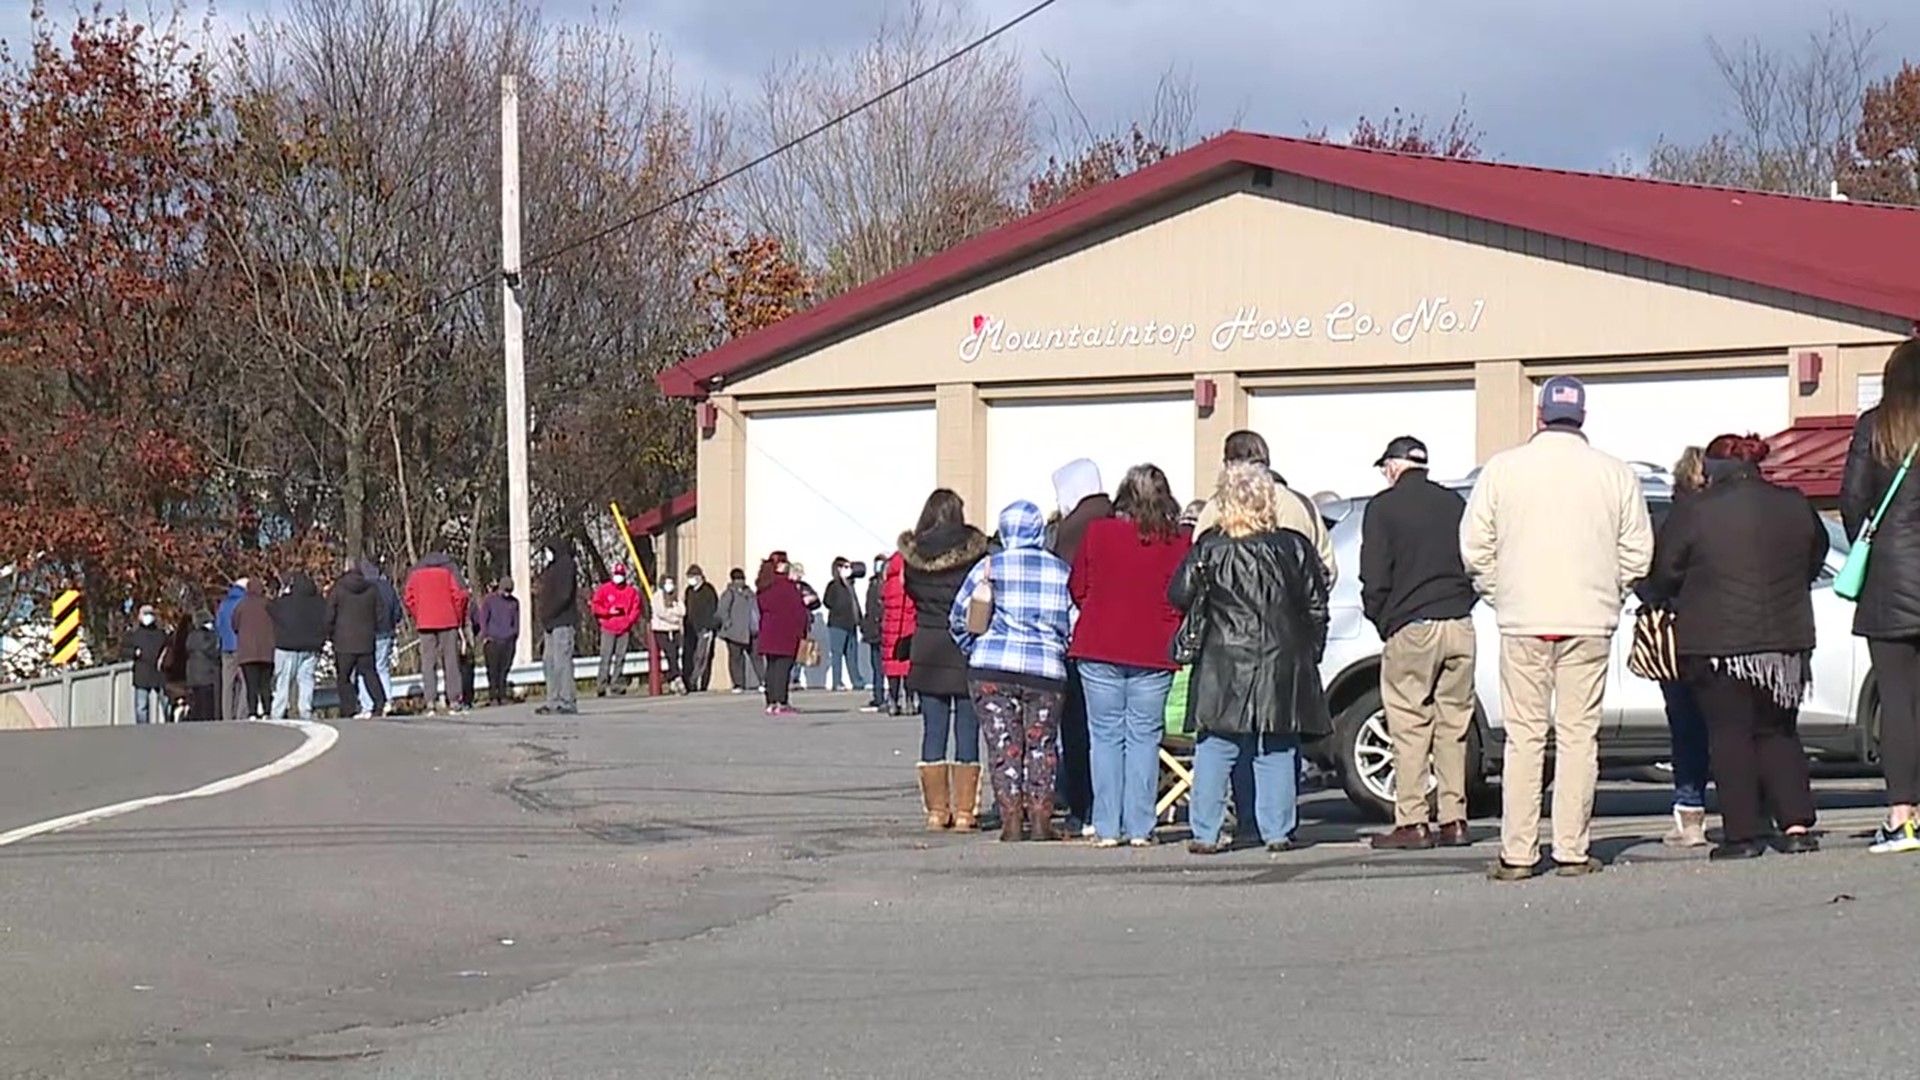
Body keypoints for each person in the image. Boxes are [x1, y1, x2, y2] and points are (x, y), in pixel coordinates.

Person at [1462, 375, 1654, 880]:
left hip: (1524, 619)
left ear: (1540, 416)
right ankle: (1571, 847)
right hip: (1589, 620)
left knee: (1524, 738)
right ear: (1582, 418)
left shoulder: (1503, 470)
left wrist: (1500, 593)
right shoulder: (1615, 474)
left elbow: (1474, 547)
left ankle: (1518, 852)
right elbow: (1638, 552)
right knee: (1578, 737)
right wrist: (1612, 592)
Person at [1641, 433, 1826, 860]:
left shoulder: (1696, 512)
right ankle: (1796, 826)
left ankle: (1742, 835)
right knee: (1780, 732)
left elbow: (1666, 572)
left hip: (1717, 642)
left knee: (1730, 735)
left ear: (1713, 469)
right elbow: (1814, 558)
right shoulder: (1794, 503)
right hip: (1786, 639)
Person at [1171, 462, 1331, 854]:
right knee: (1277, 745)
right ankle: (1277, 830)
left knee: (1216, 746)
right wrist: (1312, 650)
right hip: (1282, 657)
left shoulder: (1209, 547)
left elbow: (1178, 593)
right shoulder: (1293, 546)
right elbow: (1316, 603)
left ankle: (1206, 832)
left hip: (1223, 659)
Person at [1360, 436, 1479, 851]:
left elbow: (1374, 573)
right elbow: (1475, 559)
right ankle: (1455, 817)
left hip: (1412, 623)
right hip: (1459, 622)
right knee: (1454, 725)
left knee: (1410, 724)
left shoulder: (1383, 507)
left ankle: (1412, 820)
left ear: (1393, 466)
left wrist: (1382, 617)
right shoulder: (1454, 504)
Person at [1069, 464, 1190, 848]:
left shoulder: (1098, 532)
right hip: (1154, 646)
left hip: (1099, 642)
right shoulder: (1179, 540)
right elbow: (1183, 593)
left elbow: (1078, 587)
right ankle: (1140, 826)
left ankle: (1106, 826)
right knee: (1143, 738)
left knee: (1103, 737)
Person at [952, 500, 1076, 842]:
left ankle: (1009, 819)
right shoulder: (1060, 571)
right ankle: (1040, 818)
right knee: (1042, 743)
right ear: (1039, 531)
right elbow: (1074, 621)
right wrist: (1057, 648)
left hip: (992, 666)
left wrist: (974, 648)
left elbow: (960, 617)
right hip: (1046, 670)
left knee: (1003, 743)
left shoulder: (988, 567)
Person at [1841, 337, 1920, 854]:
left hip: (1889, 582)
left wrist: (1867, 545)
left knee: (1898, 703)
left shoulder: (1876, 426)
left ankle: (1901, 816)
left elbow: (1853, 500)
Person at [900, 491, 991, 830]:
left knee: (933, 728)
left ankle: (937, 812)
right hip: (965, 644)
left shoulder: (914, 556)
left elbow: (910, 591)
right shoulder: (975, 552)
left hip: (927, 644)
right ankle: (966, 812)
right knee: (967, 727)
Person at [1644, 445, 1714, 847]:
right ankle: (1754, 807)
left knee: (1685, 726)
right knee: (1734, 724)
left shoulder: (1666, 521)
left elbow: (1649, 576)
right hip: (1724, 630)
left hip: (1676, 632)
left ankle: (1690, 814)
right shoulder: (1722, 518)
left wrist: (1653, 599)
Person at [1048, 458, 1113, 838]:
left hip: (1081, 641)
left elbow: (1071, 586)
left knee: (1078, 730)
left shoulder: (1073, 529)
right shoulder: (1117, 515)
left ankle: (1082, 807)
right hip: (1122, 640)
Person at [1192, 430, 1336, 587]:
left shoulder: (1216, 506)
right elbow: (1327, 567)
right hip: (1291, 606)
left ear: (1228, 465)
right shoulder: (1301, 504)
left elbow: (1196, 565)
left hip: (1229, 607)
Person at [404, 551, 471, 715]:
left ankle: (430, 702)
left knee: (428, 663)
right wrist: (457, 616)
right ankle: (454, 700)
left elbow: (408, 598)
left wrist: (418, 614)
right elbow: (460, 596)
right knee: (451, 661)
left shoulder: (416, 573)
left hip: (425, 621)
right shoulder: (449, 571)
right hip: (448, 620)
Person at [327, 559, 386, 718]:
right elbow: (380, 614)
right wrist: (372, 628)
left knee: (344, 677)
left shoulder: (338, 589)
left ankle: (349, 708)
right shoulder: (372, 589)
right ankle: (379, 702)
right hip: (366, 640)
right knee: (369, 673)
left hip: (344, 641)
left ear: (346, 569)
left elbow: (330, 614)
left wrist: (331, 633)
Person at [756, 552, 809, 715]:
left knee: (771, 668)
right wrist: (803, 629)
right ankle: (781, 701)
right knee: (783, 668)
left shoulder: (764, 586)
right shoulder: (786, 586)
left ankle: (771, 702)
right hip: (785, 632)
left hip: (768, 631)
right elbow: (797, 610)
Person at [269, 570, 327, 720]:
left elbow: (270, 608)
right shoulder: (319, 602)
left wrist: (282, 593)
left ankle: (277, 713)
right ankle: (305, 710)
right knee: (306, 679)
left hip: (287, 646)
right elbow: (326, 621)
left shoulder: (285, 602)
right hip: (311, 647)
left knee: (284, 681)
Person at [534, 537, 580, 716]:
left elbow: (564, 595)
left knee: (562, 662)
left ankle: (567, 701)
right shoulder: (551, 568)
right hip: (550, 623)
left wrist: (549, 612)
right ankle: (552, 701)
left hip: (563, 620)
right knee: (549, 662)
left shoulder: (566, 565)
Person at [591, 564, 642, 696]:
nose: (618, 577)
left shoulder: (631, 591)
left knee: (620, 657)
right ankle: (601, 685)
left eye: (621, 574)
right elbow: (595, 606)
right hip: (608, 628)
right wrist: (608, 612)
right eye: (616, 574)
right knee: (605, 657)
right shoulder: (604, 589)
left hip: (624, 629)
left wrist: (628, 621)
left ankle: (616, 684)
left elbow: (636, 609)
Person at [361, 557, 403, 710]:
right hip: (386, 631)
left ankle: (368, 704)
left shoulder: (363, 588)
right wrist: (392, 625)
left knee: (366, 669)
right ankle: (388, 700)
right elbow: (397, 611)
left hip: (368, 633)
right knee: (382, 668)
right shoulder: (387, 587)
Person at [822, 557, 867, 693]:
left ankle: (857, 681)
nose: (849, 570)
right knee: (837, 653)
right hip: (837, 624)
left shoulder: (850, 585)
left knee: (852, 655)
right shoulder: (833, 585)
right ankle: (837, 681)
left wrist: (859, 619)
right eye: (845, 567)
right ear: (838, 569)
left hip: (851, 624)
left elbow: (855, 604)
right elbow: (827, 601)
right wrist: (839, 608)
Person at [231, 579, 275, 719]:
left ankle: (252, 712)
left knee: (251, 685)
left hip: (248, 652)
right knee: (265, 684)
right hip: (267, 650)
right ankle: (267, 711)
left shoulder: (242, 606)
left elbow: (235, 625)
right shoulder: (268, 604)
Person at [879, 549, 915, 716]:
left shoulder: (888, 581)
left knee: (892, 665)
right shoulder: (911, 580)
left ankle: (893, 700)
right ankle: (909, 701)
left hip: (890, 628)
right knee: (908, 665)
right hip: (908, 626)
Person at [122, 604, 170, 725]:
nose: (148, 617)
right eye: (145, 614)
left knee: (167, 703)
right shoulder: (134, 635)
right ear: (139, 616)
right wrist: (135, 653)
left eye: (151, 614)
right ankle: (143, 730)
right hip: (142, 673)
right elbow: (123, 650)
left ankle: (170, 725)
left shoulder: (161, 634)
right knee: (141, 706)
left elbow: (169, 649)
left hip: (159, 673)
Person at [475, 578, 520, 706]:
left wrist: (515, 634)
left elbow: (516, 620)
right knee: (492, 670)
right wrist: (485, 636)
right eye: (505, 590)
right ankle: (493, 696)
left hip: (508, 640)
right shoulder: (489, 600)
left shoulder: (514, 603)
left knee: (504, 669)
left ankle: (502, 694)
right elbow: (484, 619)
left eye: (509, 591)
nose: (507, 594)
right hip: (492, 640)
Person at [716, 568, 762, 693]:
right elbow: (722, 610)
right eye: (737, 579)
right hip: (734, 632)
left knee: (756, 656)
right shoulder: (729, 593)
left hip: (750, 631)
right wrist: (727, 623)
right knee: (736, 658)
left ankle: (763, 681)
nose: (740, 582)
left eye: (742, 579)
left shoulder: (750, 593)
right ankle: (738, 684)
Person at [215, 577, 250, 720]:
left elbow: (218, 625)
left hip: (226, 647)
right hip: (241, 646)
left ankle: (227, 715)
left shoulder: (224, 603)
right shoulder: (245, 602)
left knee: (227, 684)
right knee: (245, 682)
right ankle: (241, 714)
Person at [682, 565, 720, 692]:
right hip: (691, 629)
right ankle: (690, 681)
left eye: (692, 577)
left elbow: (713, 610)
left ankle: (696, 681)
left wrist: (710, 628)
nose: (690, 580)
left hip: (705, 628)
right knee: (691, 656)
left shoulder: (708, 591)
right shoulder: (689, 591)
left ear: (699, 577)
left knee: (702, 656)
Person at [859, 554, 889, 712]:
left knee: (887, 666)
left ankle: (889, 696)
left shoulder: (889, 583)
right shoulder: (873, 583)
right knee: (876, 665)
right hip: (873, 631)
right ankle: (878, 696)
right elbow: (869, 608)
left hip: (884, 630)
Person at [650, 575, 687, 693]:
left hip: (675, 629)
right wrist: (674, 617)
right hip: (661, 630)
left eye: (671, 583)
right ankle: (676, 677)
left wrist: (673, 614)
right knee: (670, 652)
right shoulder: (657, 596)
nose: (670, 586)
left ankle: (672, 680)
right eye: (667, 583)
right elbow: (661, 612)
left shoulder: (676, 596)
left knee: (675, 654)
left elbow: (682, 611)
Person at [183, 610, 221, 721]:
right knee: (207, 705)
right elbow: (212, 651)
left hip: (193, 675)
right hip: (206, 674)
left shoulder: (191, 636)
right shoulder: (208, 637)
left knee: (196, 703)